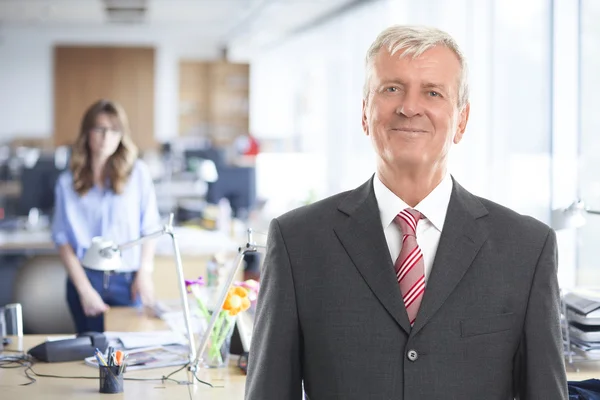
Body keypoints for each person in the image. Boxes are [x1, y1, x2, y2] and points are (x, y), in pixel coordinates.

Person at [245, 25, 568, 399]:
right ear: (365, 113)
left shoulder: (526, 248)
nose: (409, 107)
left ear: (461, 121)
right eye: (391, 89)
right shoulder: (297, 241)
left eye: (432, 92)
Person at [52, 99, 161, 334]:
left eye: (114, 130)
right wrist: (84, 290)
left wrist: (145, 273)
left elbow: (150, 227)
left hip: (128, 280)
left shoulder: (138, 174)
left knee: (129, 357)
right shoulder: (67, 183)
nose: (106, 137)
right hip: (86, 279)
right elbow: (63, 241)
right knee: (89, 356)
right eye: (100, 129)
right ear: (87, 133)